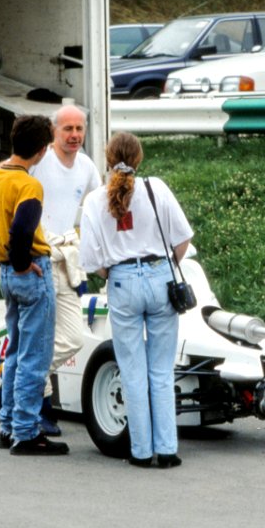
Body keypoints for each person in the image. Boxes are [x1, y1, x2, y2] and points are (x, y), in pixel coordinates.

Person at [78, 132, 193, 469]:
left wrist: (116, 273)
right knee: (161, 370)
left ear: (107, 159)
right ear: (139, 158)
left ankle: (140, 451)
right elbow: (182, 241)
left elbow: (91, 261)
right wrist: (162, 271)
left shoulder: (94, 201)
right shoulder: (157, 188)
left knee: (132, 370)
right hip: (160, 277)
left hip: (122, 280)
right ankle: (168, 449)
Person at [0, 114, 68, 456]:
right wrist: (22, 262)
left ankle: (8, 424)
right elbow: (23, 230)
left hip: (4, 273)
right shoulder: (29, 185)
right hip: (30, 272)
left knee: (15, 351)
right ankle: (27, 432)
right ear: (43, 150)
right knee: (35, 356)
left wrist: (10, 264)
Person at [30, 105, 102, 436]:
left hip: (67, 260)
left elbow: (99, 209)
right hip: (36, 260)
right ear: (53, 131)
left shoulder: (86, 166)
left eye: (79, 129)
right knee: (38, 337)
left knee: (72, 337)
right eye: (67, 129)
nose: (74, 135)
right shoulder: (39, 160)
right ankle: (39, 407)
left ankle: (12, 384)